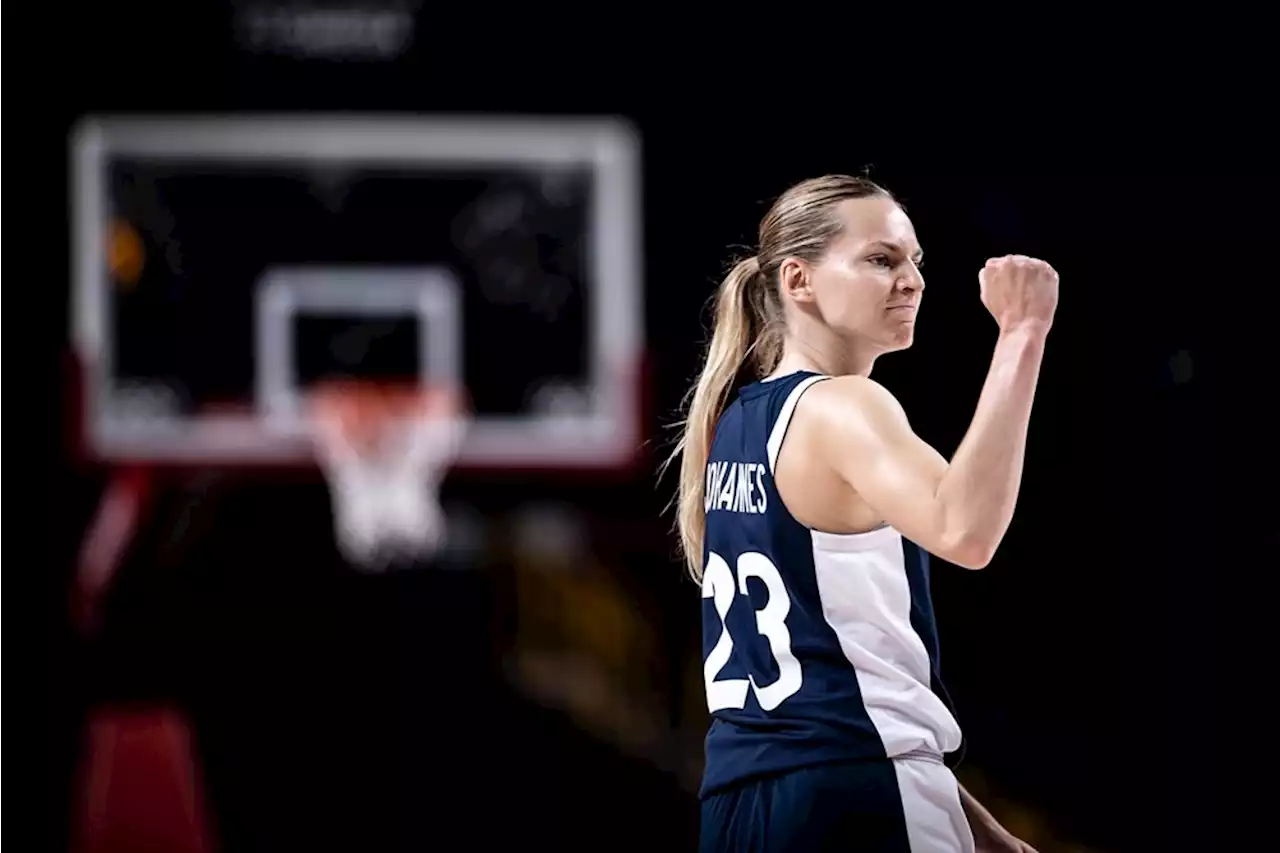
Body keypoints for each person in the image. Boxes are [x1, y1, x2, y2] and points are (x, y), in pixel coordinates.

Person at [668, 175, 1056, 852]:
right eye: (881, 260)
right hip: (854, 797)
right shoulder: (845, 405)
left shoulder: (735, 424)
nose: (912, 281)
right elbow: (965, 529)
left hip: (740, 809)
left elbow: (838, 679)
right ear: (800, 280)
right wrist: (1023, 334)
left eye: (915, 262)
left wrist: (971, 821)